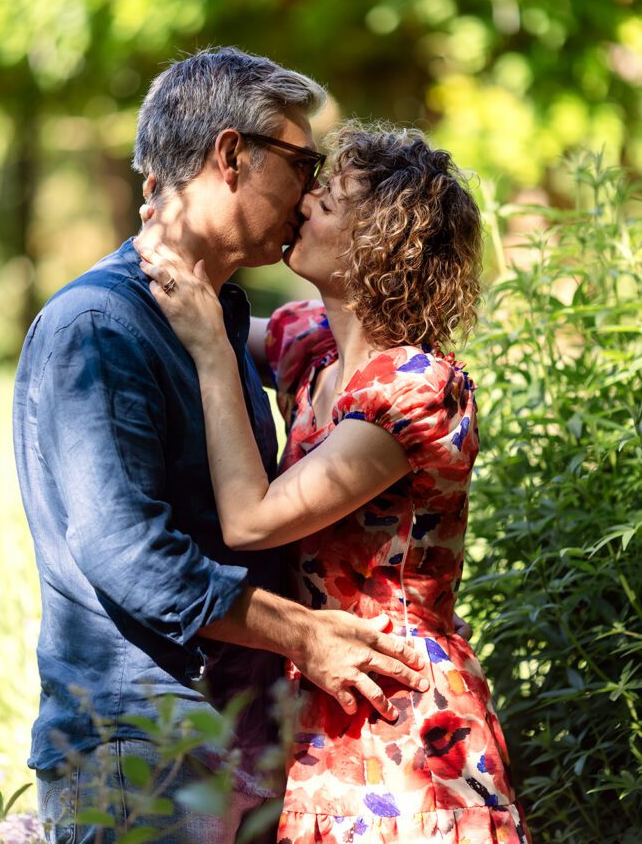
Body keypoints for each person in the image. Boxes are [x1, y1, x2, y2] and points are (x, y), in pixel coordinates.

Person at [13, 49, 430, 844]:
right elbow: (123, 548)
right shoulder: (100, 325)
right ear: (230, 155)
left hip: (218, 741)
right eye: (302, 163)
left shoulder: (218, 324)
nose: (310, 191)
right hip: (138, 748)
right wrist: (303, 633)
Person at [138, 120, 532, 844]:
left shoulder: (414, 389)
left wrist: (209, 350)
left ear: (376, 243)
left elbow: (252, 521)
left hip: (404, 718)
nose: (304, 202)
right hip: (315, 693)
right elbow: (190, 311)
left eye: (330, 197)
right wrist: (178, 232)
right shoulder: (312, 348)